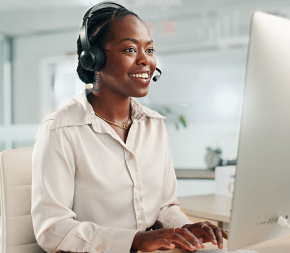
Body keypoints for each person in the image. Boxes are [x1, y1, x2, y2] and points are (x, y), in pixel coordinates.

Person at [31, 2, 228, 253]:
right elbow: (52, 229)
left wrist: (185, 230)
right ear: (94, 59)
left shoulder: (153, 125)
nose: (146, 60)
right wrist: (134, 241)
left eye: (150, 49)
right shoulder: (61, 129)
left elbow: (166, 208)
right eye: (130, 49)